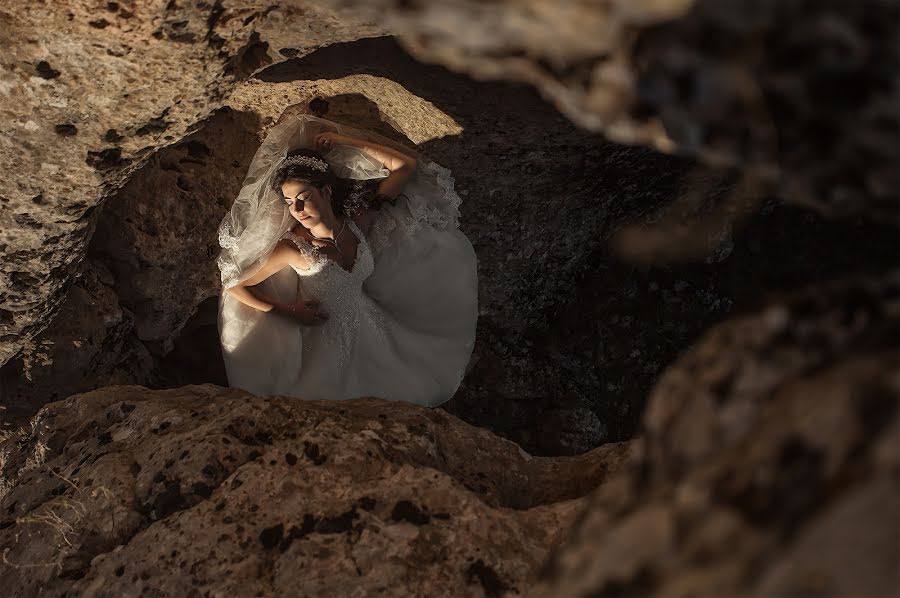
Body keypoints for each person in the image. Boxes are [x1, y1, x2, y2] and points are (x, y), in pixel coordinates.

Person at [216, 115, 478, 407]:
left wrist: (343, 141)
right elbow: (235, 285)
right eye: (290, 202)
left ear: (326, 191)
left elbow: (404, 166)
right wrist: (288, 311)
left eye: (303, 197)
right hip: (325, 344)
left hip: (373, 330)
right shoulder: (294, 247)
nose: (298, 208)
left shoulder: (358, 223)